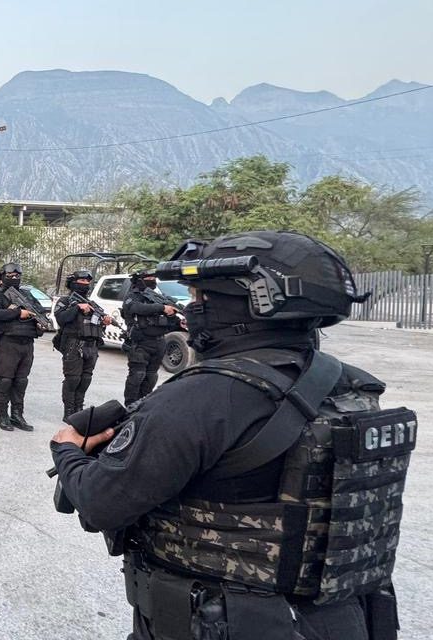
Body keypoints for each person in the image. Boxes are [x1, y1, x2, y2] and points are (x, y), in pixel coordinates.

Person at [50, 231, 405, 640]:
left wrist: (67, 449)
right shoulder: (352, 388)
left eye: (201, 299)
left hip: (226, 622)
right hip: (340, 619)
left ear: (253, 301)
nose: (193, 308)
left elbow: (102, 503)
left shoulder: (201, 397)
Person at [0, 263, 45, 431]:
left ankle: (17, 415)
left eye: (17, 276)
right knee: (5, 380)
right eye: (10, 276)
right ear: (2, 277)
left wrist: (40, 322)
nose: (14, 279)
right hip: (7, 343)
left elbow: (40, 312)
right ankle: (3, 416)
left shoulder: (27, 295)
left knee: (21, 381)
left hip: (27, 343)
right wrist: (18, 313)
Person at [53, 269, 113, 417]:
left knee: (85, 379)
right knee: (73, 379)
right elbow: (61, 319)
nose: (85, 284)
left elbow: (95, 325)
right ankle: (69, 411)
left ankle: (78, 408)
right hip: (74, 345)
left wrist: (104, 321)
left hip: (91, 346)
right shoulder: (65, 301)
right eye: (81, 281)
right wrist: (77, 308)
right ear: (72, 283)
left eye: (87, 282)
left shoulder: (92, 304)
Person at [120, 268, 182, 405]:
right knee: (137, 376)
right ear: (139, 280)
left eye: (154, 277)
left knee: (151, 377)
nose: (152, 280)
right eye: (148, 278)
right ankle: (129, 408)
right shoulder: (132, 296)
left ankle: (142, 406)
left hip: (159, 342)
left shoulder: (159, 296)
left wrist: (176, 319)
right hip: (140, 343)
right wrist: (161, 308)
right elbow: (135, 308)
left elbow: (170, 321)